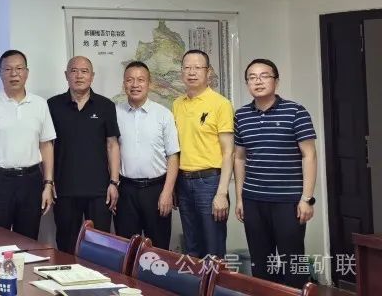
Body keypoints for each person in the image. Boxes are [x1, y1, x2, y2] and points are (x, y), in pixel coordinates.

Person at [234, 59, 317, 288]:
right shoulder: (241, 115)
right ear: (247, 83)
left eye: (264, 76)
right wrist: (240, 198)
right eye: (252, 77)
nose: (258, 81)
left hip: (288, 201)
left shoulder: (296, 111)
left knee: (293, 261)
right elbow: (239, 158)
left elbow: (309, 155)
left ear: (276, 81)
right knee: (261, 263)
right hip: (253, 200)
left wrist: (307, 198)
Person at [0, 50, 56, 239]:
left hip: (31, 181)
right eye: (8, 69)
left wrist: (48, 184)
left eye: (19, 68)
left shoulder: (40, 104)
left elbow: (46, 146)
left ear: (27, 72)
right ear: (0, 73)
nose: (14, 74)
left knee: (28, 241)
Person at [47, 56, 120, 253]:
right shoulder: (53, 105)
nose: (79, 75)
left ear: (92, 76)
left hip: (99, 191)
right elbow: (47, 146)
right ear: (66, 75)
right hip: (64, 189)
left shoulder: (106, 106)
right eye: (74, 71)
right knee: (66, 245)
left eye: (84, 71)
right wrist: (49, 182)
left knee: (100, 247)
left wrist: (114, 182)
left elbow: (112, 145)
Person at [172, 49, 234, 259]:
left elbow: (229, 152)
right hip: (183, 182)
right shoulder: (177, 104)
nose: (192, 72)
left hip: (210, 182)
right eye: (187, 67)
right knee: (192, 249)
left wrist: (222, 193)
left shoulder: (221, 104)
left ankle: (215, 282)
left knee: (213, 250)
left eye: (198, 67)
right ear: (181, 72)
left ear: (208, 72)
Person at [115, 61, 180, 250]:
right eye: (130, 80)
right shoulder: (114, 113)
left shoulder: (163, 114)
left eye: (141, 80)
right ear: (124, 84)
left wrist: (167, 192)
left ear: (149, 84)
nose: (135, 85)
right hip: (125, 190)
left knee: (158, 250)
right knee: (126, 250)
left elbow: (173, 156)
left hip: (156, 190)